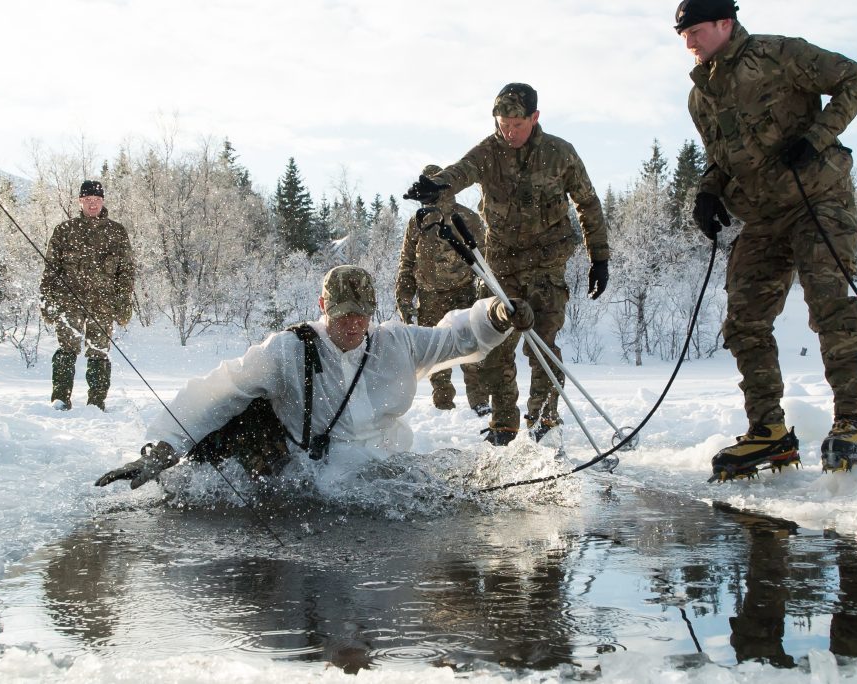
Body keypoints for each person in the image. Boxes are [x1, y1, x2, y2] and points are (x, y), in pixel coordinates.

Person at [95, 265, 534, 490]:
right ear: (323, 306)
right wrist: (164, 447)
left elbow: (454, 339)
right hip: (321, 480)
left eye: (361, 316)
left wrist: (496, 315)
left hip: (388, 469)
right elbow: (220, 392)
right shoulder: (288, 351)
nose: (352, 326)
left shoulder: (396, 343)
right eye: (342, 315)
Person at [675, 0, 857, 478]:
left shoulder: (777, 54)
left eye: (697, 31)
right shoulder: (700, 95)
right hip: (762, 217)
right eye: (682, 34)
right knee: (743, 320)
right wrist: (707, 193)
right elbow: (720, 157)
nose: (689, 42)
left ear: (725, 23)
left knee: (829, 303)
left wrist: (817, 137)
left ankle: (854, 421)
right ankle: (769, 433)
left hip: (817, 200)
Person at [405, 83, 610, 446]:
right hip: (501, 262)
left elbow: (588, 204)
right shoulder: (490, 151)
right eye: (503, 124)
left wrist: (600, 257)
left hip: (547, 262)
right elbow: (461, 170)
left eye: (516, 124)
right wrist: (436, 186)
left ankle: (544, 417)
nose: (509, 132)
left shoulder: (560, 154)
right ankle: (504, 422)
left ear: (535, 117)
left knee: (542, 342)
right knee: (494, 343)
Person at [396, 164, 491, 415]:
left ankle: (480, 404)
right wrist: (404, 300)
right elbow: (407, 263)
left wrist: (484, 297)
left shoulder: (467, 218)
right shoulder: (416, 222)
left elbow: (485, 261)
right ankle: (443, 407)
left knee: (472, 350)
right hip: (429, 298)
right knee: (435, 355)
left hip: (464, 295)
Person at [40, 180, 136, 411]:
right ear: (80, 201)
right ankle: (61, 398)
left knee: (99, 352)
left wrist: (124, 302)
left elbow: (126, 271)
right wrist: (47, 301)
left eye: (97, 200)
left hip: (103, 304)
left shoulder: (116, 232)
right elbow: (51, 269)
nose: (92, 204)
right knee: (66, 349)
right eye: (88, 200)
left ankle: (96, 401)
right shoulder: (64, 230)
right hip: (68, 302)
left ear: (102, 201)